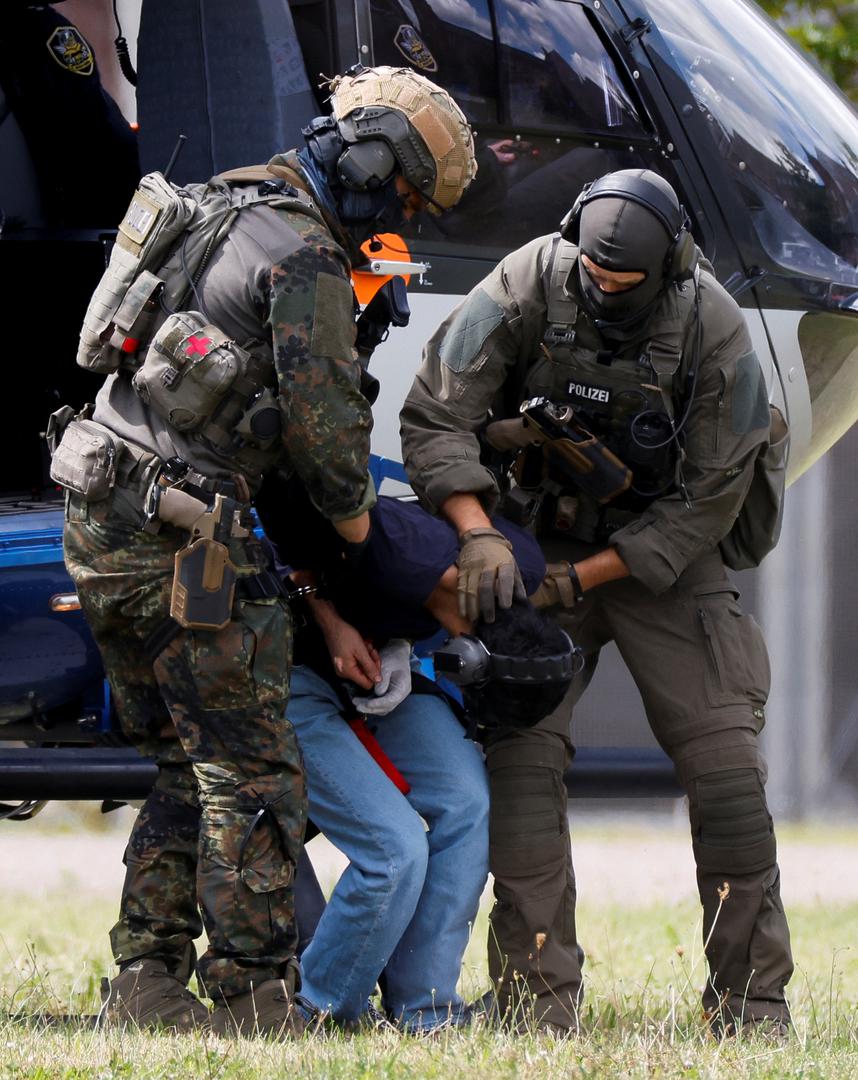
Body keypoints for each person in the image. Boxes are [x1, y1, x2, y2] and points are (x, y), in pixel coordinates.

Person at [51, 64, 476, 1035]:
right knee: (252, 772)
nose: (400, 220)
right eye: (405, 197)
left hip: (96, 505)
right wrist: (378, 559)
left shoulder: (216, 200)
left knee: (177, 756)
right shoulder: (307, 260)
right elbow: (330, 462)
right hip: (184, 538)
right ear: (372, 164)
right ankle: (254, 994)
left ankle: (145, 979)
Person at [400, 168, 793, 1036]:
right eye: (593, 276)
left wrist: (586, 577)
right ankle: (535, 1004)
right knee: (522, 765)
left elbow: (712, 499)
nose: (603, 291)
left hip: (662, 555)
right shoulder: (526, 280)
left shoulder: (713, 328)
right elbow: (435, 414)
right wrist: (480, 533)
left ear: (669, 269)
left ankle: (752, 1004)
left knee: (727, 770)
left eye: (625, 285)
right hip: (530, 539)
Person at [259, 485, 574, 1032]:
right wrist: (331, 621)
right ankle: (318, 1009)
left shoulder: (520, 565)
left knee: (468, 804)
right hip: (292, 668)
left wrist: (397, 643)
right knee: (395, 849)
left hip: (381, 665)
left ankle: (425, 1008)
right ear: (468, 657)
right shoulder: (391, 553)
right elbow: (277, 523)